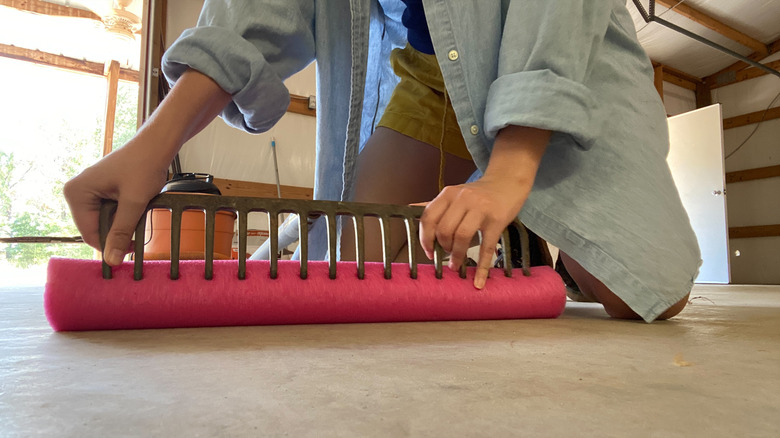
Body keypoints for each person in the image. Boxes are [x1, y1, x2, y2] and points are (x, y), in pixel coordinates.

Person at [64, 0, 701, 322]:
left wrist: (511, 168)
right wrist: (153, 145)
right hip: (435, 78)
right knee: (350, 276)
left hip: (569, 61)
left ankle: (545, 234)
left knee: (638, 296)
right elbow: (253, 11)